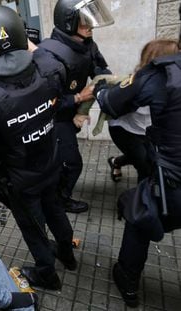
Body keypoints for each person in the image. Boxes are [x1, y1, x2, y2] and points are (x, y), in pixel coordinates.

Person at [0, 6, 76, 290]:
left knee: (34, 227)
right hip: (50, 162)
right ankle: (68, 255)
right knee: (55, 210)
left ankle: (48, 273)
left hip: (21, 180)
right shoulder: (49, 69)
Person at [94, 33, 181, 307]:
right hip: (136, 138)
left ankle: (128, 279)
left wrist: (98, 89)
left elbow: (110, 101)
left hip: (175, 182)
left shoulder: (158, 76)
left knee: (139, 213)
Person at [39, 0, 114, 213]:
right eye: (84, 23)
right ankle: (60, 200)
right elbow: (46, 103)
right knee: (72, 163)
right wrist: (79, 98)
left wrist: (110, 85)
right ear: (68, 23)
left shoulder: (87, 43)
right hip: (54, 119)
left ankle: (55, 192)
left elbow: (99, 68)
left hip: (71, 114)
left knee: (62, 160)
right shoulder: (49, 56)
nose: (90, 27)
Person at [107, 40, 178, 184]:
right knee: (146, 167)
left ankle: (116, 162)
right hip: (125, 130)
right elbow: (109, 101)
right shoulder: (139, 84)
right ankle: (142, 204)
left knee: (150, 158)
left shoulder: (173, 81)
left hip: (147, 130)